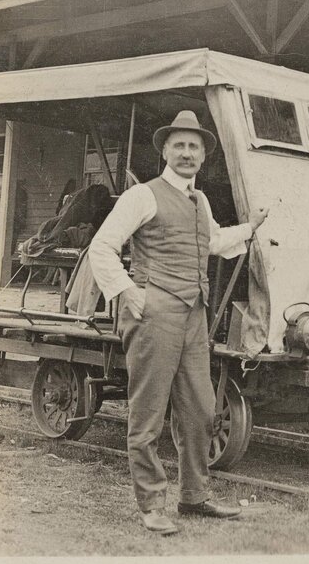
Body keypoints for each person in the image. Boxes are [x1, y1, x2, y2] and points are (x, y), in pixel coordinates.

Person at [88, 110, 269, 536]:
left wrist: (251, 227)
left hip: (194, 315)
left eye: (195, 147)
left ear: (204, 156)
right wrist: (129, 293)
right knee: (148, 413)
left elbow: (215, 242)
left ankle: (195, 496)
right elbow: (102, 248)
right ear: (165, 151)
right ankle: (151, 504)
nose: (187, 153)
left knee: (201, 410)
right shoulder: (143, 196)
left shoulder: (200, 201)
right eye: (179, 146)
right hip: (154, 313)